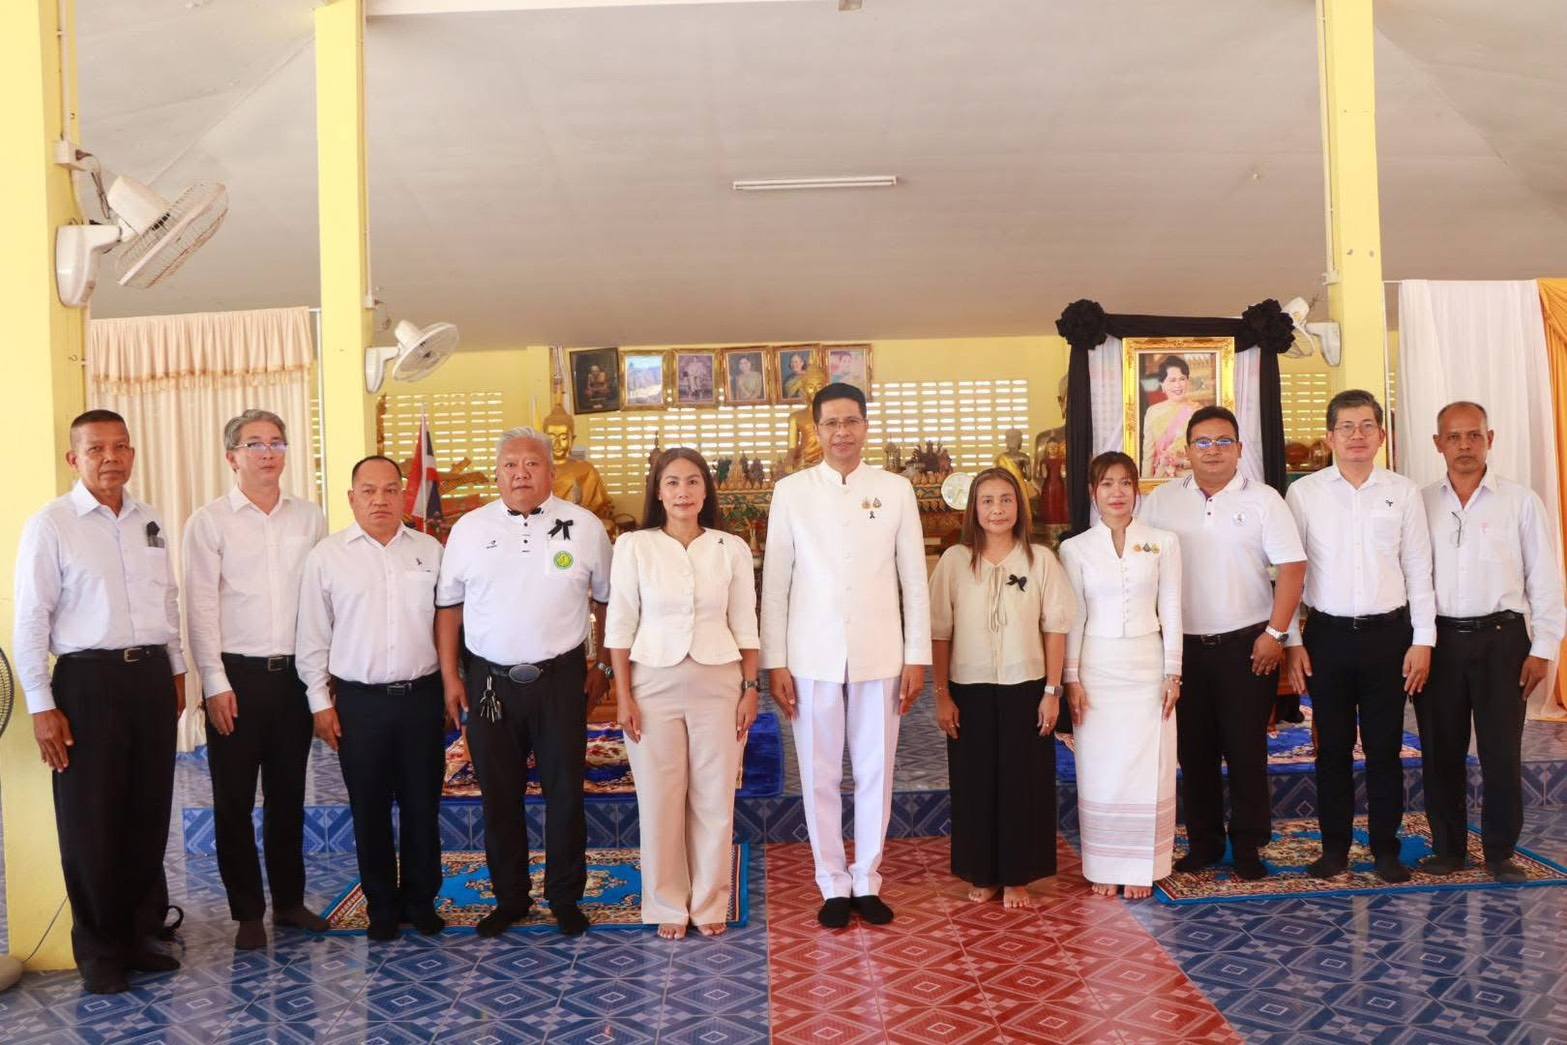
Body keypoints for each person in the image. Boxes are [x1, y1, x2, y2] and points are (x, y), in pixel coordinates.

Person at [13, 410, 186, 993]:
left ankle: (138, 936)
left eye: (120, 447)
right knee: (91, 821)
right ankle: (99, 951)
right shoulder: (52, 524)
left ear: (133, 453)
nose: (110, 457)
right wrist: (41, 704)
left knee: (146, 812)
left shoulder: (150, 519)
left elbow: (168, 601)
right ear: (75, 459)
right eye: (96, 449)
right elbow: (31, 619)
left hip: (151, 680)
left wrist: (178, 669)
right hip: (87, 684)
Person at [761, 383, 930, 927]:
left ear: (865, 425)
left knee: (879, 770)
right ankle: (832, 882)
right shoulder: (791, 492)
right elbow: (777, 583)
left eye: (851, 421)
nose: (842, 432)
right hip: (810, 658)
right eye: (831, 423)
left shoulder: (896, 489)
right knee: (818, 772)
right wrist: (776, 660)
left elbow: (913, 580)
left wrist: (917, 655)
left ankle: (867, 879)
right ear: (816, 429)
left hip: (881, 654)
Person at [436, 428, 613, 937]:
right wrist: (451, 676)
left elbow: (607, 598)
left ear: (550, 472)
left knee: (565, 793)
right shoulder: (469, 529)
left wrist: (600, 666)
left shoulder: (583, 526)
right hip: (490, 682)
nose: (520, 472)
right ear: (497, 473)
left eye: (531, 464)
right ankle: (510, 898)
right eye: (510, 464)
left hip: (561, 679)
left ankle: (565, 897)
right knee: (499, 795)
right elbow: (448, 608)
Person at [182, 409, 329, 950]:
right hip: (236, 678)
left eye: (276, 442)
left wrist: (320, 680)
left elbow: (320, 601)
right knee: (234, 800)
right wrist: (214, 683)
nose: (268, 452)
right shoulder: (210, 521)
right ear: (232, 457)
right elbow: (199, 608)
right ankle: (247, 911)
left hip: (293, 676)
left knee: (289, 796)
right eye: (255, 444)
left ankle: (289, 903)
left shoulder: (309, 518)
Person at [1139, 406, 1306, 880]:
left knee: (1246, 748)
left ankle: (1249, 846)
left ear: (1239, 448)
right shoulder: (1162, 502)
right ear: (1186, 451)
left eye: (1222, 441)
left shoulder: (1266, 500)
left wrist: (1276, 634)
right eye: (1202, 443)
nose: (1213, 451)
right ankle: (1205, 844)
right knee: (1194, 751)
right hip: (1183, 649)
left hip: (1247, 646)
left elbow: (1292, 570)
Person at [604, 448, 760, 939]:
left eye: (693, 482)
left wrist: (750, 688)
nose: (683, 492)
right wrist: (623, 696)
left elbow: (747, 626)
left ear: (706, 491)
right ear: (658, 491)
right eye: (672, 483)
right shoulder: (634, 546)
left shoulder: (728, 547)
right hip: (653, 684)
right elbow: (620, 626)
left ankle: (711, 899)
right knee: (660, 796)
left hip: (720, 681)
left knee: (715, 795)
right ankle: (668, 904)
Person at [1285, 390, 1435, 883]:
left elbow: (1417, 567)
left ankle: (1386, 850)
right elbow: (1291, 571)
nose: (1356, 435)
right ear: (1329, 437)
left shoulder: (1403, 491)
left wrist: (1423, 640)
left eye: (1366, 426)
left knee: (1385, 748)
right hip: (1326, 637)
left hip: (1389, 637)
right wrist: (1292, 641)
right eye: (1346, 427)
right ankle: (1333, 851)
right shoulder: (1305, 493)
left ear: (1381, 435)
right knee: (1331, 750)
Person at [295, 455, 446, 941]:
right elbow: (313, 637)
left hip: (422, 697)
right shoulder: (327, 557)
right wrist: (320, 702)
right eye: (368, 491)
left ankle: (422, 901)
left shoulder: (430, 551)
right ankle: (381, 905)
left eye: (389, 490)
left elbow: (449, 628)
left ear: (403, 494)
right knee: (370, 806)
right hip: (360, 703)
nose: (379, 500)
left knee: (423, 804)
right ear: (351, 498)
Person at [1418, 401, 1565, 882]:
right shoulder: (1420, 502)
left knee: (1501, 750)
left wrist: (1544, 648)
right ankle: (1448, 849)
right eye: (1454, 437)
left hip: (1504, 641)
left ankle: (1501, 851)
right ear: (1438, 443)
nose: (1464, 445)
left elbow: (1546, 578)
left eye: (1474, 436)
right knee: (1442, 749)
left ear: (1490, 439)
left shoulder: (1520, 501)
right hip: (1440, 641)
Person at [930, 467, 1073, 907]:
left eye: (1006, 500)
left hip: (1025, 687)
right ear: (974, 508)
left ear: (1019, 507)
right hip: (968, 688)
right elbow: (939, 632)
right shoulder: (954, 561)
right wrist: (942, 694)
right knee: (974, 782)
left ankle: (1017, 876)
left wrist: (1052, 692)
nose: (997, 509)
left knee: (1023, 782)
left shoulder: (1040, 560)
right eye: (987, 500)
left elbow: (1056, 629)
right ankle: (983, 872)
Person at [1059, 451, 1182, 899]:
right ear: (1093, 493)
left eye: (1125, 483)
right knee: (1101, 766)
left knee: (1150, 765)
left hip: (1149, 665)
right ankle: (1105, 864)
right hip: (1097, 667)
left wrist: (1174, 671)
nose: (1117, 492)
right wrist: (1071, 676)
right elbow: (1074, 616)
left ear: (1137, 491)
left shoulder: (1163, 542)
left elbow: (1170, 607)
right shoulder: (1074, 548)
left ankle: (1144, 866)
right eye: (1107, 484)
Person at [1140, 355, 1199, 479]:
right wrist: (1146, 486)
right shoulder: (1152, 412)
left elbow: (1203, 456)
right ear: (1162, 384)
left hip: (1189, 480)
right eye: (1172, 380)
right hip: (1160, 478)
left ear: (1188, 381)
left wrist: (1180, 463)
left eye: (1182, 379)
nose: (1178, 385)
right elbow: (1148, 457)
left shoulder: (1198, 411)